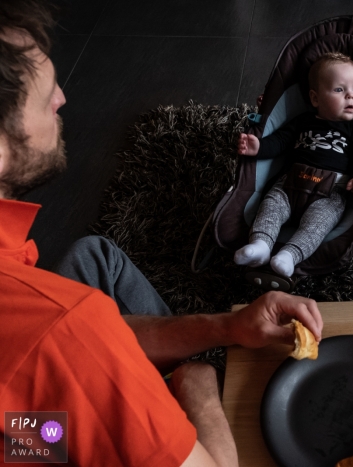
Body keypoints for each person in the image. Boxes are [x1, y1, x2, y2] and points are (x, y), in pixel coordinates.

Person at [0, 1, 323, 466]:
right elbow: (75, 340)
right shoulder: (66, 328)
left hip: (26, 436)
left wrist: (227, 327)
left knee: (95, 255)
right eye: (45, 94)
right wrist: (198, 385)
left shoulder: (62, 326)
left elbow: (35, 417)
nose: (62, 99)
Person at [234, 52, 353, 277]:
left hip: (331, 192)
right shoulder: (303, 121)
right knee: (271, 206)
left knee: (317, 226)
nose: (350, 96)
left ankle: (288, 256)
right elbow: (280, 141)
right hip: (290, 183)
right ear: (315, 98)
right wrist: (258, 147)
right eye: (339, 90)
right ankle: (260, 245)